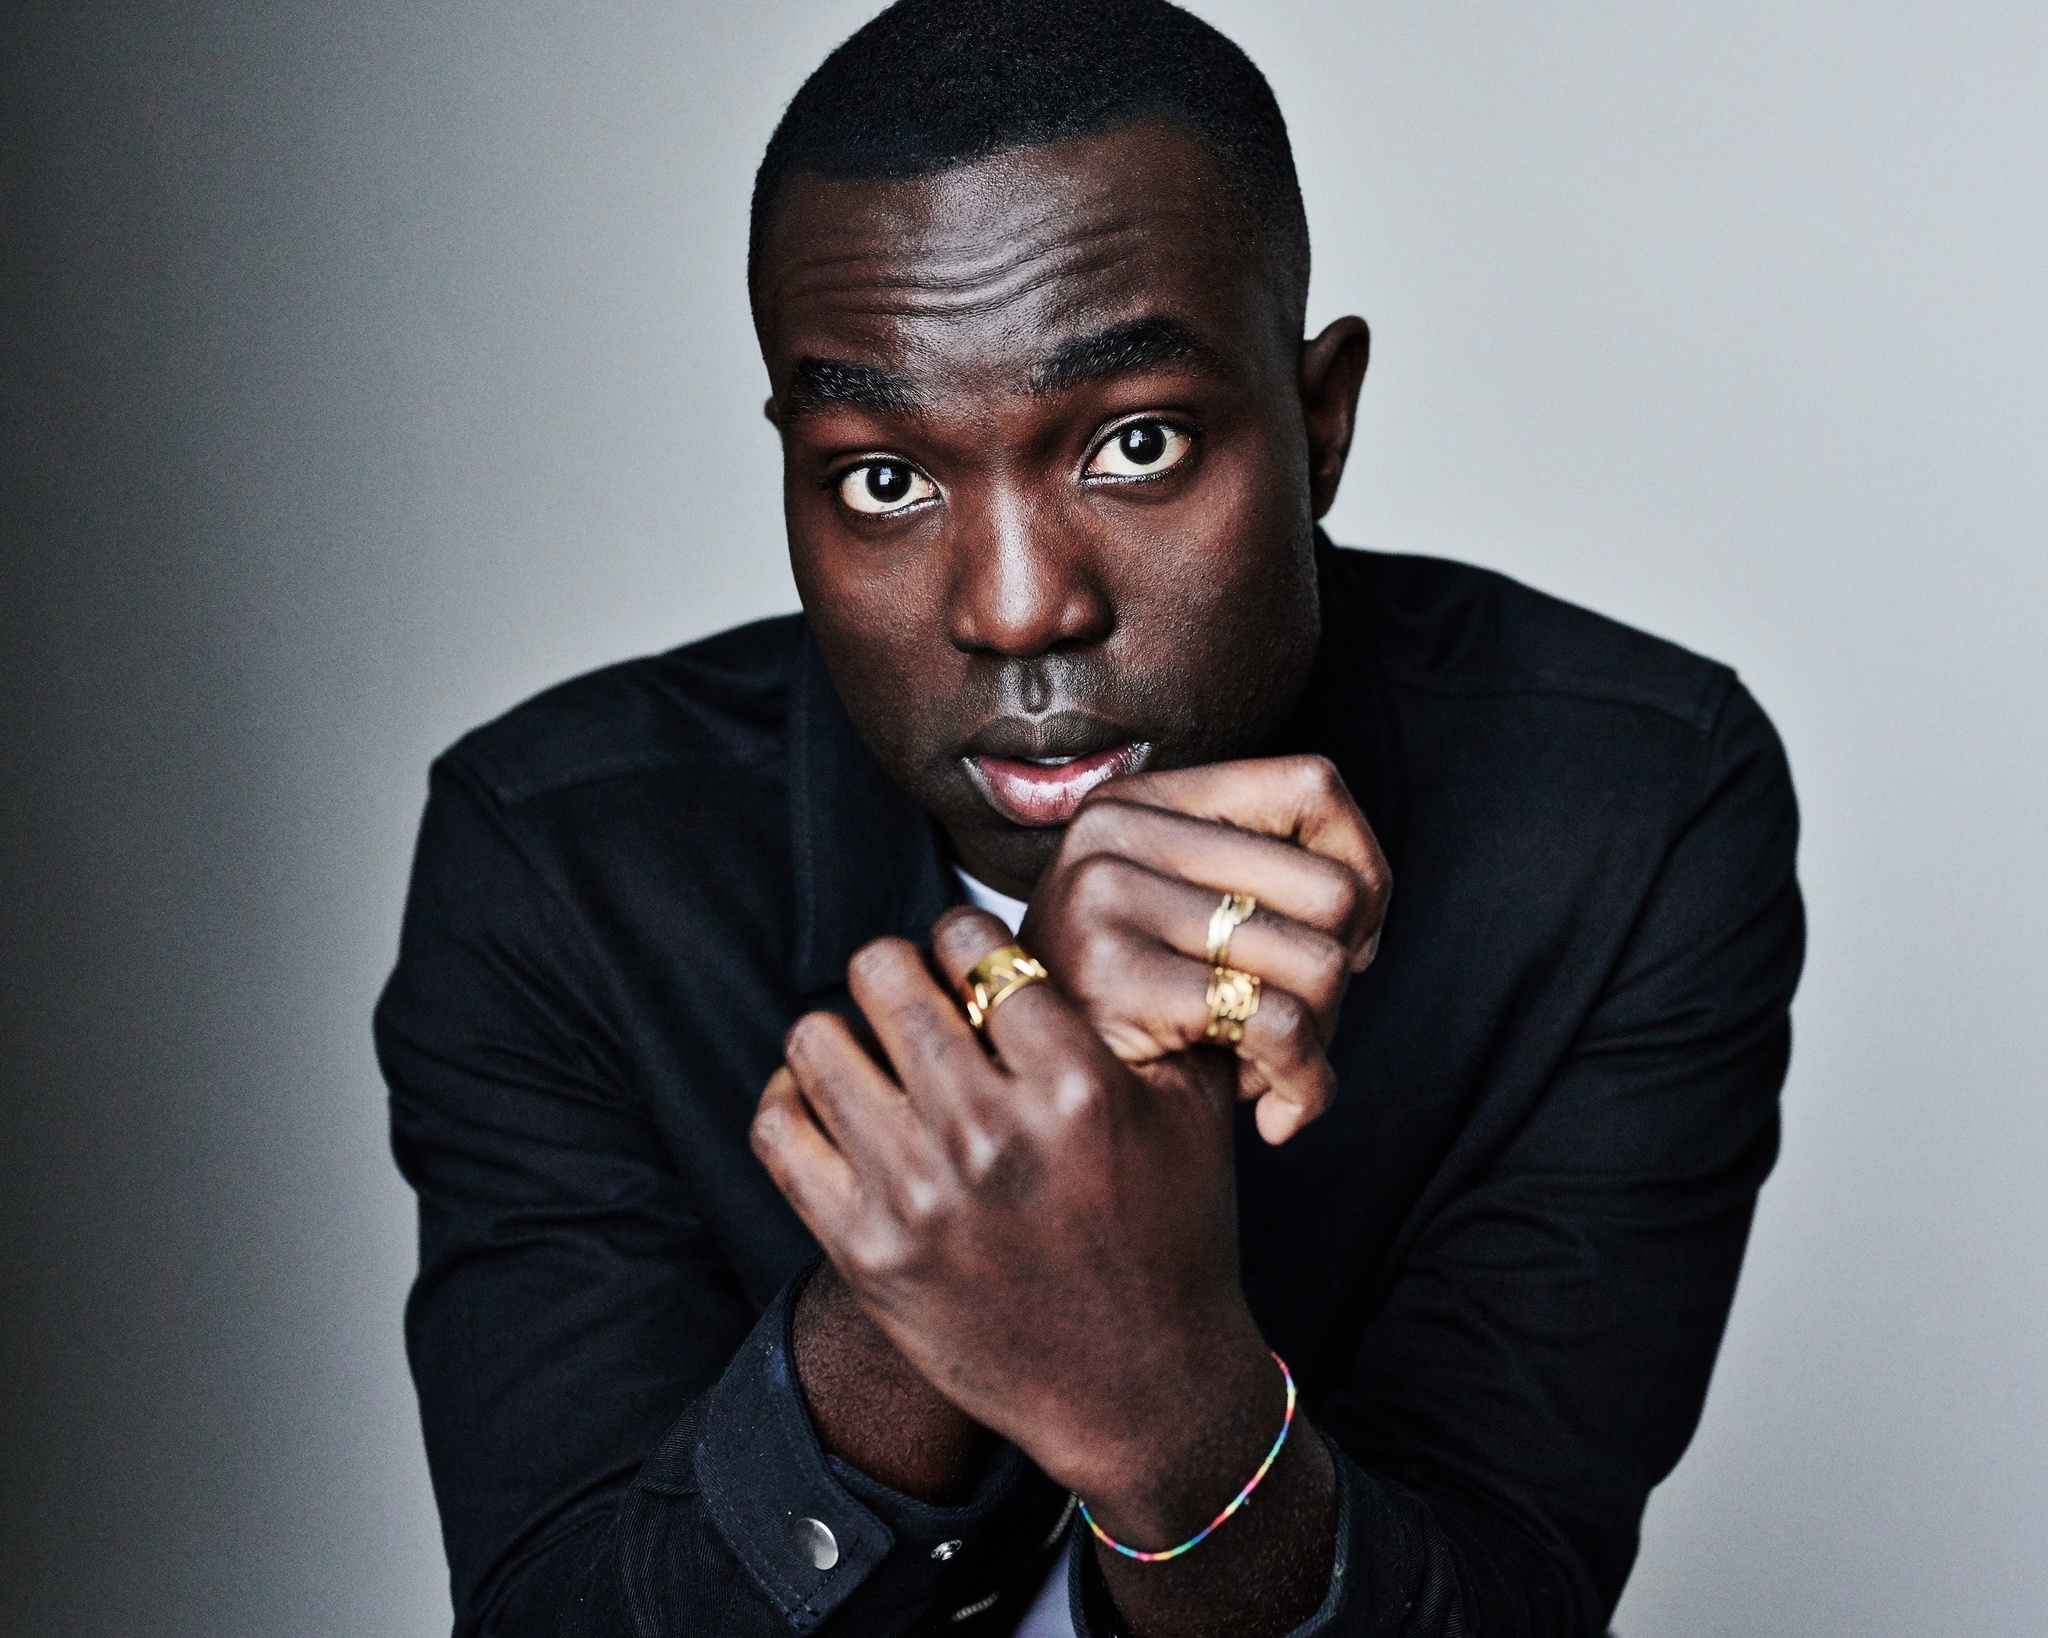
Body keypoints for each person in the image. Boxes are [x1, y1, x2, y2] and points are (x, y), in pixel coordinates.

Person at [377, 2, 1805, 1634]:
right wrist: (1009, 1077)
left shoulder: (1624, 820)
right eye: (883, 480)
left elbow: (1503, 1600)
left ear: (1319, 418)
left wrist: (1167, 1416)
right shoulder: (565, 862)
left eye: (1136, 442)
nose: (1014, 609)